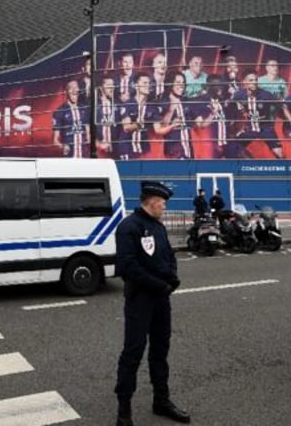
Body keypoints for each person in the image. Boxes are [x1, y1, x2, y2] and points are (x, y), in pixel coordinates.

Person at [114, 181, 190, 426]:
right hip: (140, 300)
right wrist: (159, 285)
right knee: (133, 352)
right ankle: (123, 411)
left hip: (161, 299)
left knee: (160, 351)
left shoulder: (157, 226)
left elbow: (168, 254)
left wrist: (173, 277)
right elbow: (128, 266)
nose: (165, 207)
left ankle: (161, 400)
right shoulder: (129, 227)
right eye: (163, 203)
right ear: (153, 201)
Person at [52, 80, 89, 158]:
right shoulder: (60, 111)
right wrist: (63, 147)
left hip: (84, 157)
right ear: (66, 92)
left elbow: (88, 134)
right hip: (69, 158)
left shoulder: (84, 109)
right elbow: (55, 141)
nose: (74, 90)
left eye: (76, 87)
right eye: (71, 88)